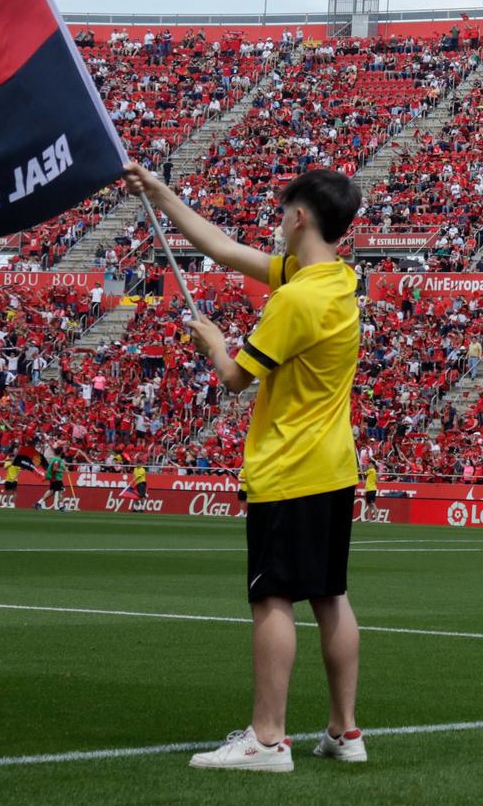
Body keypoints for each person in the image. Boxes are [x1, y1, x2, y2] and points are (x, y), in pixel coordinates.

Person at [124, 162, 366, 772]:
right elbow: (225, 249)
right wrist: (162, 194)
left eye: (284, 212)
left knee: (273, 600)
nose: (278, 223)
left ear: (300, 215)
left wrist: (212, 342)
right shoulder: (337, 281)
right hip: (334, 466)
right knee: (331, 597)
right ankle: (345, 731)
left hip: (290, 466)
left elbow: (235, 379)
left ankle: (267, 737)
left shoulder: (296, 299)